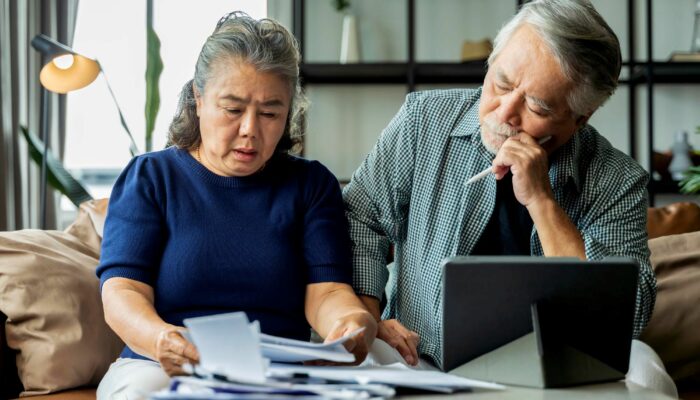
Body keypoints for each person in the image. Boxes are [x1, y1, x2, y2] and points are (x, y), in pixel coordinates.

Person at [344, 0, 677, 397]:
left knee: (649, 372)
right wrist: (369, 313)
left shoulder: (616, 179)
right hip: (420, 353)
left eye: (536, 106)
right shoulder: (423, 121)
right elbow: (360, 217)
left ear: (579, 119)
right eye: (501, 83)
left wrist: (542, 201)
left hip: (560, 370)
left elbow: (629, 314)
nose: (504, 113)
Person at [96, 12, 377, 399]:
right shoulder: (152, 177)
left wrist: (349, 323)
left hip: (279, 371)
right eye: (232, 109)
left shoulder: (310, 185)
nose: (249, 129)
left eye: (269, 113)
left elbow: (327, 293)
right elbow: (122, 291)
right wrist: (160, 338)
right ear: (198, 99)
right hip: (158, 364)